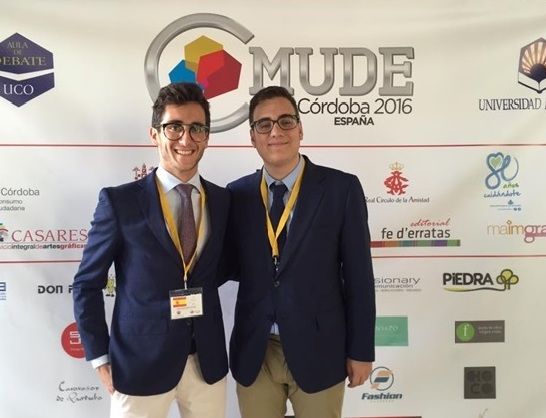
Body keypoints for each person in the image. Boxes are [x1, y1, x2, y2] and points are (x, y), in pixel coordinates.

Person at [72, 82, 229, 418]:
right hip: (138, 364)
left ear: (207, 137)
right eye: (174, 127)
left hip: (207, 362)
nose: (186, 139)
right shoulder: (120, 202)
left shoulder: (223, 200)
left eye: (197, 128)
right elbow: (86, 284)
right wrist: (99, 358)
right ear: (154, 134)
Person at [226, 86, 376, 418]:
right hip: (256, 352)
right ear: (252, 136)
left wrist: (361, 350)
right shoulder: (236, 195)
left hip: (320, 349)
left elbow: (359, 278)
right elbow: (228, 265)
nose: (275, 131)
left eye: (285, 121)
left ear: (300, 129)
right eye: (264, 124)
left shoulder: (341, 189)